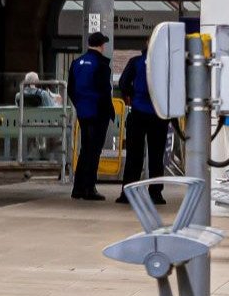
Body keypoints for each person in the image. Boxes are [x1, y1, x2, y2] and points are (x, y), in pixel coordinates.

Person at [114, 52, 170, 205]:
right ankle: (156, 193)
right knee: (156, 156)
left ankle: (128, 193)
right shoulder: (166, 61)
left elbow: (123, 83)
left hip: (138, 112)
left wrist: (133, 95)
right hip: (159, 114)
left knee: (134, 156)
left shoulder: (136, 61)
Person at [68, 32, 117, 201]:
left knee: (85, 149)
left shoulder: (76, 63)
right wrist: (109, 111)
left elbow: (71, 90)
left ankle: (78, 188)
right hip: (98, 112)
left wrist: (80, 105)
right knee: (94, 150)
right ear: (101, 45)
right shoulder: (101, 64)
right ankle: (89, 187)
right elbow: (104, 91)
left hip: (83, 111)